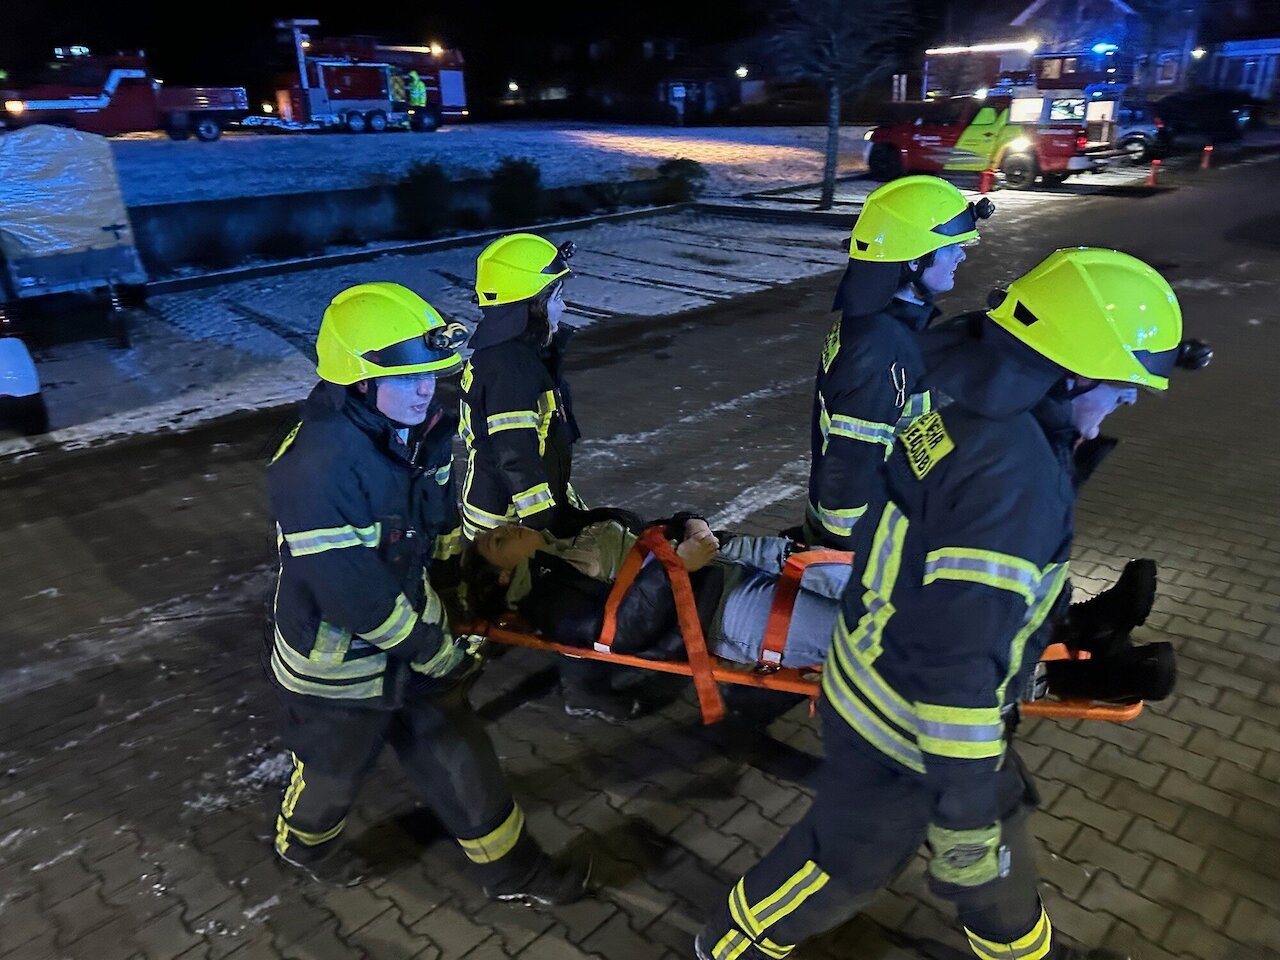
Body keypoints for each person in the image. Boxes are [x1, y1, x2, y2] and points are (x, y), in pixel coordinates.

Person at [696, 247, 1185, 960]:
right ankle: (728, 945)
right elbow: (957, 669)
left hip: (881, 684)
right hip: (902, 730)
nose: (1126, 404)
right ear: (1070, 368)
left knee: (998, 872)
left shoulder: (961, 396)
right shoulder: (1012, 480)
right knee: (841, 866)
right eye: (1119, 387)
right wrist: (961, 816)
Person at [266, 281, 588, 905]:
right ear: (359, 381)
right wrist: (434, 649)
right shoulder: (315, 469)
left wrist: (453, 590)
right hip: (338, 670)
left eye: (432, 374)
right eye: (408, 377)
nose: (426, 390)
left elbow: (438, 524)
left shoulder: (421, 429)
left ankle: (515, 873)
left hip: (412, 635)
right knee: (332, 775)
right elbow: (354, 597)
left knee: (458, 753)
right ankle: (301, 847)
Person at [459, 508, 1175, 707]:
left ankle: (1074, 626)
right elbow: (627, 633)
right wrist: (687, 560)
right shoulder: (554, 601)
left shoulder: (566, 528)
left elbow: (652, 520)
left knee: (912, 589)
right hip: (726, 619)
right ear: (501, 580)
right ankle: (1073, 678)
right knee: (897, 648)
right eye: (493, 545)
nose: (501, 533)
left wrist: (691, 529)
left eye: (493, 531)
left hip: (736, 565)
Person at [460, 232, 640, 722]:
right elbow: (514, 454)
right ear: (528, 305)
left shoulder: (513, 353)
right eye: (555, 295)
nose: (563, 304)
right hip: (514, 511)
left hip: (525, 501)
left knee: (491, 603)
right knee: (568, 592)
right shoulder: (510, 365)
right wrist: (551, 520)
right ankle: (450, 690)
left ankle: (459, 674)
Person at [804, 175, 994, 550]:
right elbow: (848, 481)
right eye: (951, 247)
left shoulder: (882, 323)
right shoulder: (880, 350)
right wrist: (847, 561)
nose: (962, 255)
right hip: (861, 545)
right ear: (913, 260)